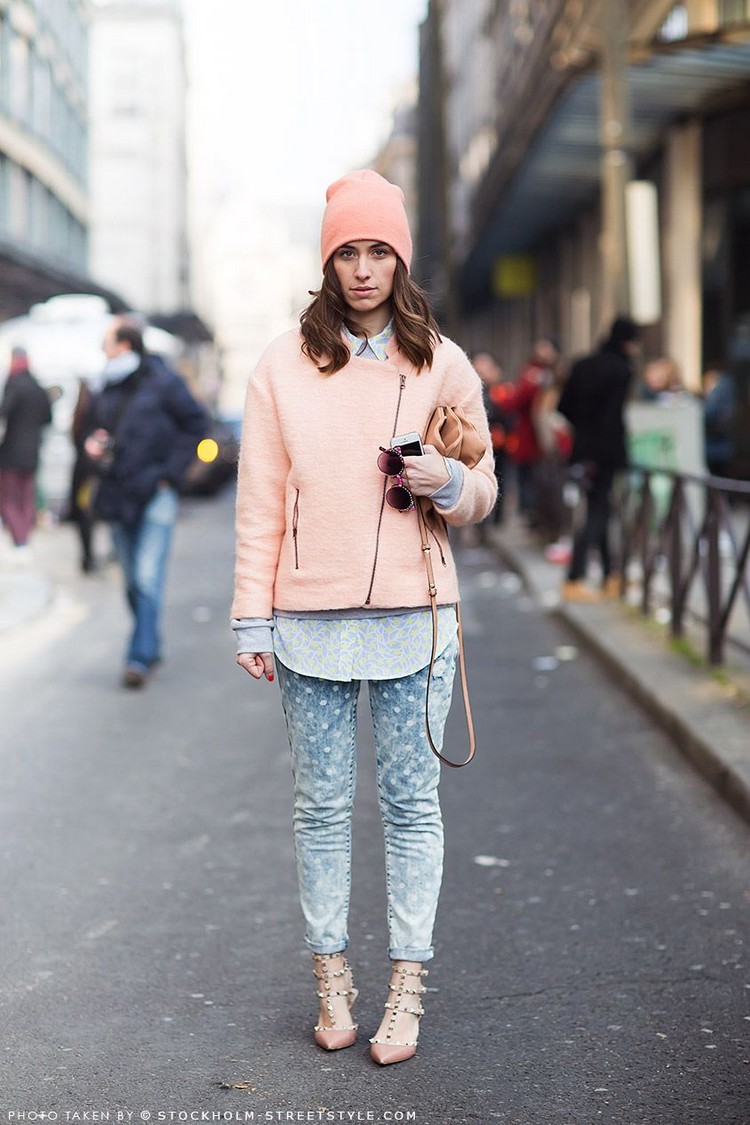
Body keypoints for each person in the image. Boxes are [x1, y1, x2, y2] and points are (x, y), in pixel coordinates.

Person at [231, 170, 496, 1066]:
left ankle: (407, 987)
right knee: (321, 808)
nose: (364, 267)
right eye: (348, 250)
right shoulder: (280, 364)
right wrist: (250, 618)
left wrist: (449, 482)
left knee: (413, 805)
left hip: (417, 616)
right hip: (307, 618)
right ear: (328, 260)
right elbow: (261, 499)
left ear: (401, 259)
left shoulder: (441, 361)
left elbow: (485, 484)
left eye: (380, 249)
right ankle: (332, 980)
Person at [84, 321, 208, 688]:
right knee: (130, 581)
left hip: (156, 492)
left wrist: (169, 473)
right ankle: (150, 644)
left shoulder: (163, 381)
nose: (102, 350)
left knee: (145, 576)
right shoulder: (104, 385)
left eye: (106, 343)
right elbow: (92, 430)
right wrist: (94, 443)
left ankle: (138, 657)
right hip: (117, 491)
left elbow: (197, 423)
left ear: (124, 345)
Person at [557, 316, 640, 602]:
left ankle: (609, 576)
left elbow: (563, 407)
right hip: (606, 452)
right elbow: (613, 417)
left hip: (582, 449)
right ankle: (575, 577)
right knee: (598, 512)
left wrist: (583, 429)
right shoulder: (621, 370)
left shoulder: (582, 365)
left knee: (598, 507)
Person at [497, 337, 560, 525]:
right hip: (530, 436)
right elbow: (516, 401)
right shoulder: (531, 374)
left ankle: (537, 515)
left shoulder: (544, 375)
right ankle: (531, 514)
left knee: (538, 479)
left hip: (547, 436)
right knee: (529, 477)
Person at [0, 347, 52, 558]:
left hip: (11, 451)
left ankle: (20, 539)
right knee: (26, 497)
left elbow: (4, 411)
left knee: (9, 497)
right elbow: (48, 418)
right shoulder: (38, 387)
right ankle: (24, 537)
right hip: (32, 452)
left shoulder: (14, 385)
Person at [471, 350, 508, 528]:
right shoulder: (470, 389)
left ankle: (497, 520)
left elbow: (508, 415)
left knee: (500, 478)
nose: (482, 370)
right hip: (475, 444)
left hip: (499, 443)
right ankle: (480, 521)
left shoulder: (501, 390)